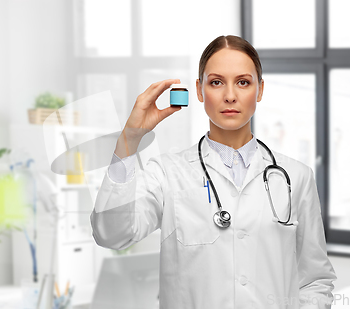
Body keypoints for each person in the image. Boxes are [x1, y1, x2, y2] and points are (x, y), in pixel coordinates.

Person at [90, 35, 336, 309]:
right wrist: (128, 140)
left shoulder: (296, 176)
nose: (230, 95)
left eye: (243, 82)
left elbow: (315, 279)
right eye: (216, 82)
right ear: (199, 90)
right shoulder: (167, 172)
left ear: (260, 90)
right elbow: (111, 234)